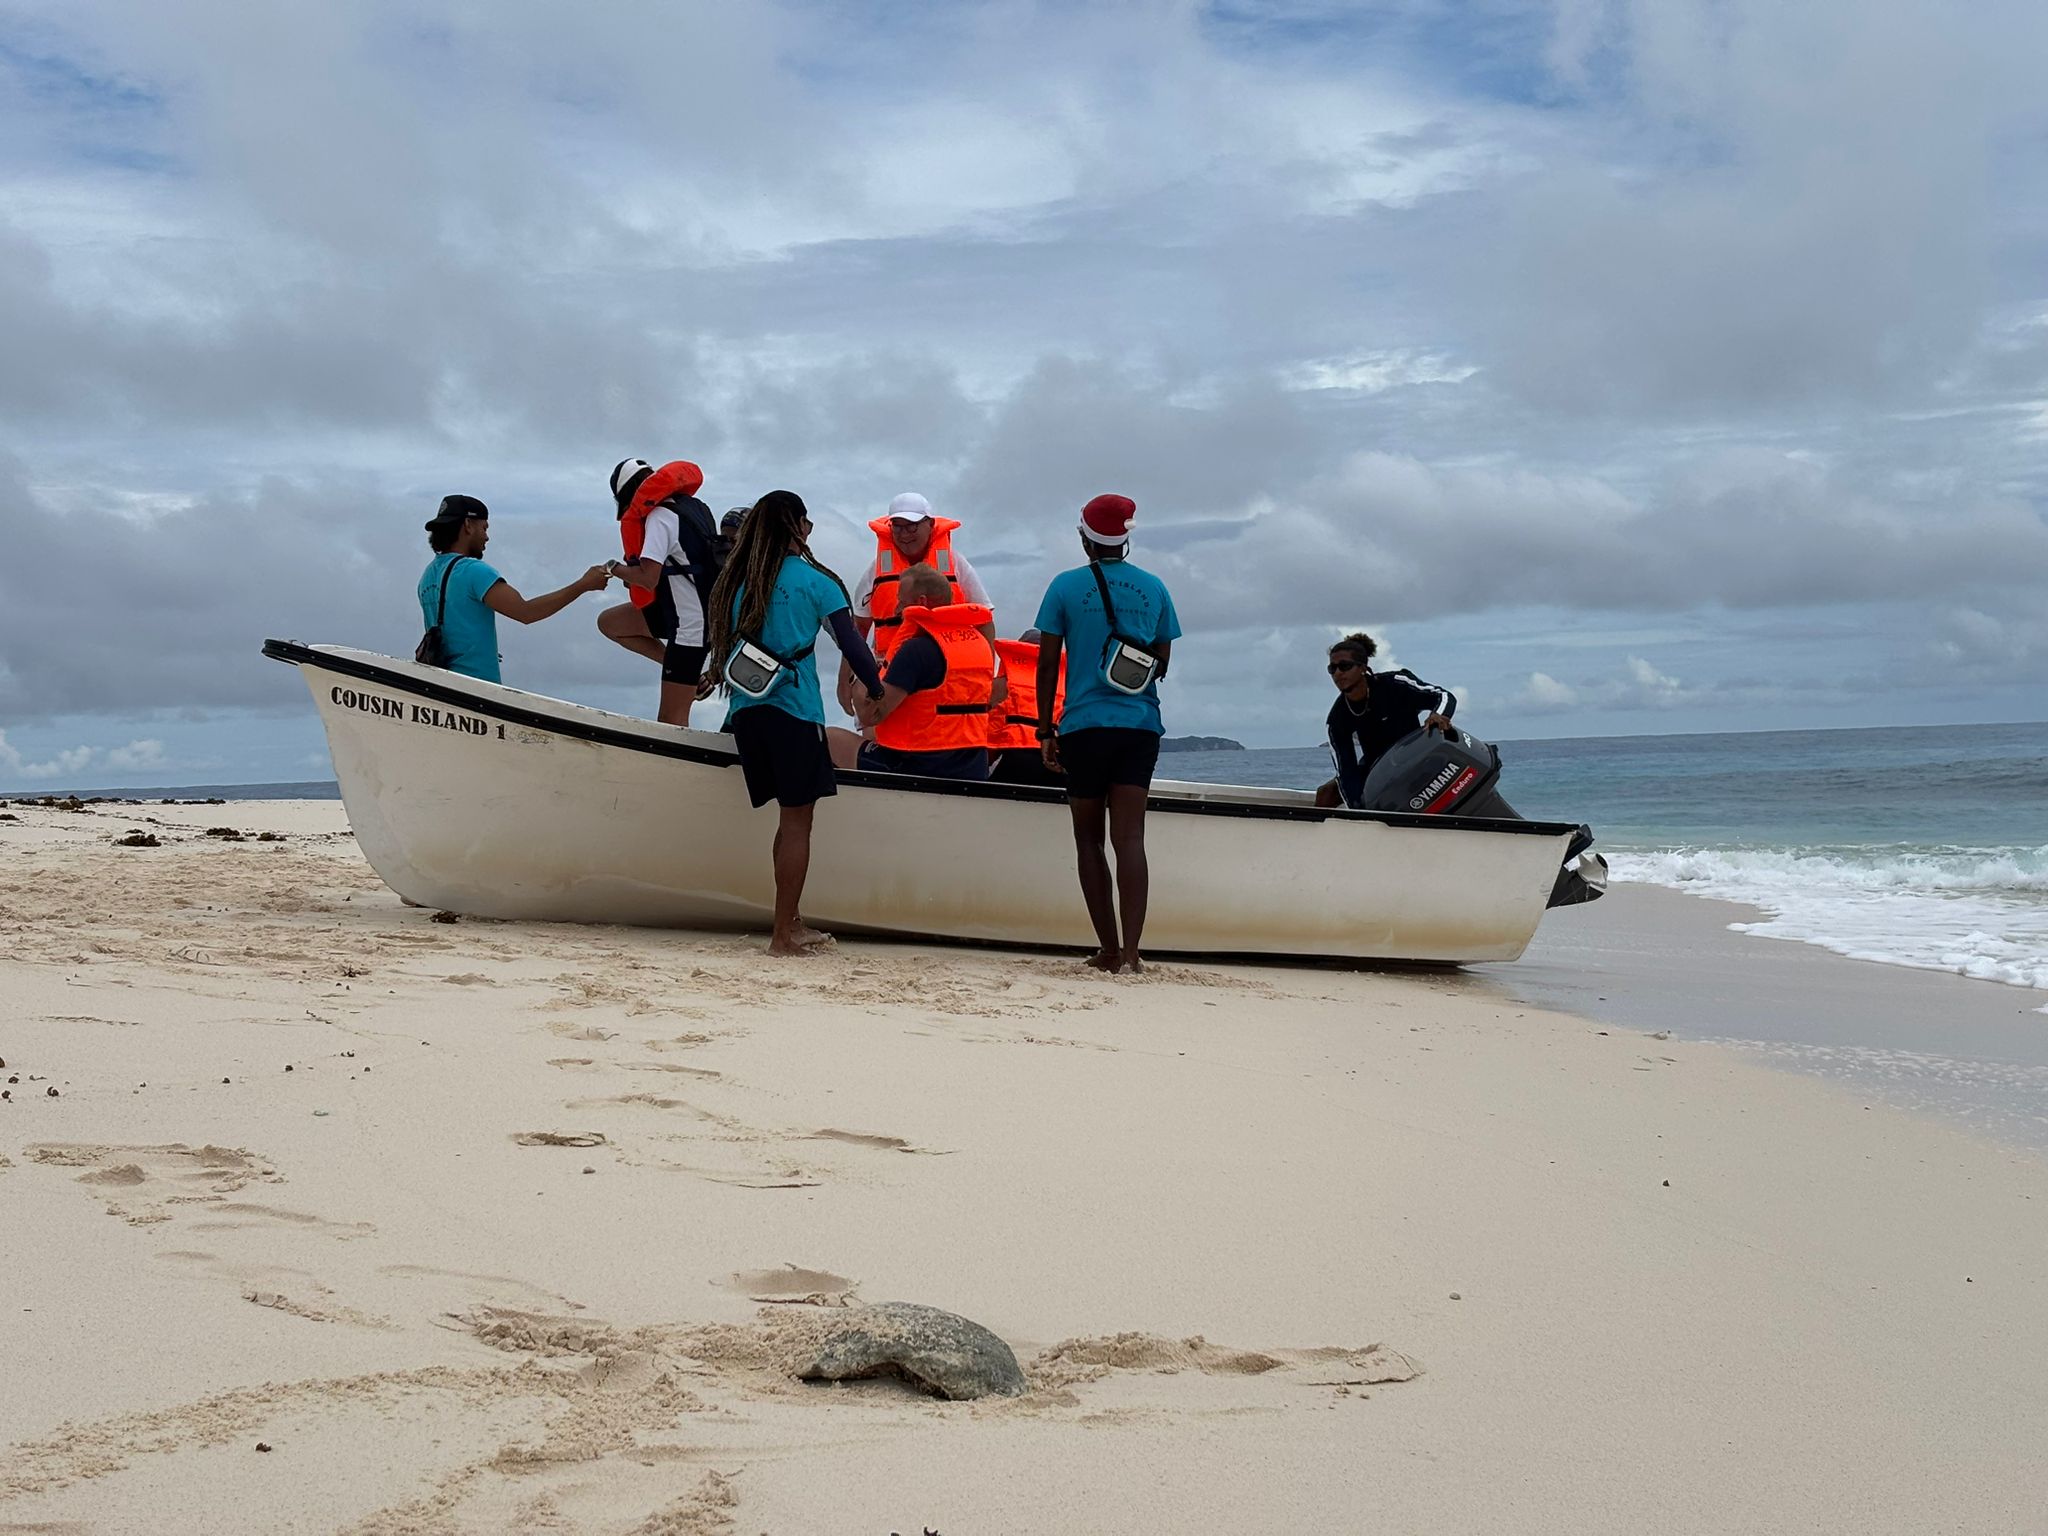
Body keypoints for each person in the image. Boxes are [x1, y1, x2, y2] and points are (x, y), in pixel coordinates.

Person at [704, 489, 885, 957]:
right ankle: (783, 935)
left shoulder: (737, 583)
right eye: (807, 524)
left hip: (746, 712)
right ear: (798, 527)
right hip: (794, 711)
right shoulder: (816, 582)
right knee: (798, 821)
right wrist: (877, 689)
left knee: (788, 823)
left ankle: (793, 920)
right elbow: (852, 645)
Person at [1033, 494, 1181, 974]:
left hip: (1083, 726)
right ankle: (1135, 954)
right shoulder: (1154, 588)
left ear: (1085, 539)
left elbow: (1047, 665)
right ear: (1126, 539)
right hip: (1139, 726)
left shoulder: (1064, 586)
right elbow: (1162, 662)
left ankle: (1110, 951)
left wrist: (1044, 728)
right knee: (1130, 838)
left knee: (1089, 840)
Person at [825, 565, 996, 781]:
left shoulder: (916, 650)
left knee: (828, 739)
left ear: (921, 602)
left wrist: (861, 677)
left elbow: (872, 715)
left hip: (916, 768)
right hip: (972, 769)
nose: (897, 609)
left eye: (901, 602)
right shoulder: (979, 644)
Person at [417, 495, 610, 684]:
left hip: (441, 685)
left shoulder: (428, 575)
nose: (487, 537)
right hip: (476, 688)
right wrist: (583, 584)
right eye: (484, 528)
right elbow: (526, 612)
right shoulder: (473, 571)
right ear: (468, 525)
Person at [837, 491, 996, 715]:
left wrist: (987, 673)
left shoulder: (956, 563)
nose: (904, 534)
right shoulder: (876, 570)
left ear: (930, 524)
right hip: (890, 673)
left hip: (948, 672)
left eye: (912, 526)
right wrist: (844, 679)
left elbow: (984, 620)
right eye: (897, 527)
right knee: (876, 722)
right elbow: (858, 629)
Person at [598, 458, 723, 727]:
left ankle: (685, 672)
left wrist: (612, 568)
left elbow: (647, 578)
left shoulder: (660, 516)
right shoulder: (696, 508)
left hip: (690, 626)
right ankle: (684, 670)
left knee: (670, 719)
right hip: (696, 613)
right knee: (610, 623)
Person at [1313, 633, 1457, 809]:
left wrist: (1439, 714)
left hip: (1416, 755)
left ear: (1363, 668)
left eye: (1344, 666)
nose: (1337, 673)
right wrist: (1359, 809)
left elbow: (1442, 695)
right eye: (1332, 669)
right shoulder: (1337, 718)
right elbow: (1346, 771)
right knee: (1326, 794)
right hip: (1378, 768)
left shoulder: (1395, 684)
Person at [986, 629, 1066, 786]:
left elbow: (991, 732)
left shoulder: (1001, 686)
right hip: (1056, 763)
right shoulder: (1068, 688)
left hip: (1014, 758)